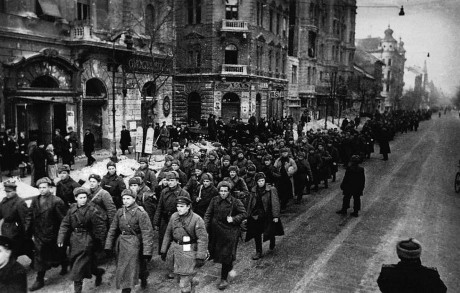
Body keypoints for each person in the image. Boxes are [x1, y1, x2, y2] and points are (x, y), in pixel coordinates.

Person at [57, 187, 107, 293]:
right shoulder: (72, 210)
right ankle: (98, 273)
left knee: (77, 268)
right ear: (76, 198)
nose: (83, 199)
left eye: (85, 197)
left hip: (87, 241)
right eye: (81, 197)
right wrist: (61, 237)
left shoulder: (92, 210)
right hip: (74, 240)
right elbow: (65, 224)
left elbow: (100, 227)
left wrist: (99, 242)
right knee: (89, 264)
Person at [105, 189, 154, 292]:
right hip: (122, 243)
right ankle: (128, 285)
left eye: (128, 198)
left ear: (134, 199)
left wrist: (147, 251)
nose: (125, 201)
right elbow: (113, 229)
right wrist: (108, 246)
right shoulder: (119, 212)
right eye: (123, 198)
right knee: (125, 267)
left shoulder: (141, 213)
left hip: (134, 242)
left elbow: (147, 232)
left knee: (135, 265)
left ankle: (137, 281)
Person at [204, 181, 246, 290]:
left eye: (225, 191)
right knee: (217, 253)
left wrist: (234, 219)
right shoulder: (214, 200)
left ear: (229, 192)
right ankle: (229, 265)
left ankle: (223, 279)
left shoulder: (235, 202)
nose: (223, 193)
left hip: (230, 232)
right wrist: (205, 227)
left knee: (225, 255)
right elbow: (208, 214)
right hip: (217, 231)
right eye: (221, 191)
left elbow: (244, 213)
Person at [161, 196, 208, 293]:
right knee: (180, 277)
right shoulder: (174, 216)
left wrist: (200, 256)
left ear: (188, 207)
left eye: (182, 206)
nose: (179, 208)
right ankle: (191, 286)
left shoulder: (197, 219)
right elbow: (168, 233)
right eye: (178, 206)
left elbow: (202, 239)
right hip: (176, 251)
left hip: (189, 252)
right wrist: (163, 250)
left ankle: (188, 288)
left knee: (184, 281)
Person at [29, 177, 68, 291]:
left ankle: (64, 263)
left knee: (57, 253)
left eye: (44, 187)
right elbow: (31, 216)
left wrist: (62, 235)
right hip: (39, 234)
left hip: (52, 234)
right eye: (40, 188)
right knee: (40, 257)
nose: (41, 190)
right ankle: (39, 279)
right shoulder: (35, 200)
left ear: (50, 188)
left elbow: (63, 220)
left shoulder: (56, 201)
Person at [377, 238, 447, 293]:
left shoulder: (387, 272)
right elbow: (442, 290)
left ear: (399, 255)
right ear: (418, 254)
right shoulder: (431, 275)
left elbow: (383, 287)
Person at [153, 171, 191, 261]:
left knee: (178, 241)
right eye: (168, 180)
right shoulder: (164, 192)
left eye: (172, 180)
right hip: (165, 220)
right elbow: (159, 207)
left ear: (177, 181)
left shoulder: (184, 193)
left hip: (178, 220)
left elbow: (189, 210)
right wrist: (156, 222)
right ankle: (166, 258)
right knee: (164, 240)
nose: (170, 182)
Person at [245, 172, 283, 260]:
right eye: (259, 181)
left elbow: (275, 203)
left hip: (267, 214)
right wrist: (247, 216)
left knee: (270, 230)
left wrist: (276, 216)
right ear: (256, 182)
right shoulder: (253, 190)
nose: (261, 182)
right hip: (256, 215)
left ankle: (272, 239)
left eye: (262, 180)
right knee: (256, 233)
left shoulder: (271, 189)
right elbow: (250, 203)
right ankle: (258, 251)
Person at [0, 181, 34, 261]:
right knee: (23, 248)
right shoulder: (4, 200)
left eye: (9, 192)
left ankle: (12, 268)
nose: (7, 194)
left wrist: (27, 232)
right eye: (6, 191)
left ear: (15, 191)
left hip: (16, 230)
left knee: (14, 250)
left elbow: (25, 219)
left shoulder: (19, 202)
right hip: (6, 228)